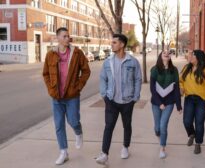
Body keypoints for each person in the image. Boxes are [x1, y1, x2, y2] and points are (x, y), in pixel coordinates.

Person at [42, 27, 91, 165]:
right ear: (57, 38)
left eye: (68, 36)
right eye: (64, 36)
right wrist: (50, 88)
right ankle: (63, 152)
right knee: (58, 125)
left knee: (73, 121)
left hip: (72, 96)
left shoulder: (76, 53)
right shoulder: (50, 55)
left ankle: (78, 132)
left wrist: (78, 86)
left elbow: (86, 71)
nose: (67, 38)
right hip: (56, 97)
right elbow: (45, 73)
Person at [96, 34, 142, 165]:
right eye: (112, 42)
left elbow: (138, 79)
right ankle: (104, 154)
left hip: (128, 101)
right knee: (109, 126)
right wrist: (104, 95)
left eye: (114, 42)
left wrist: (135, 97)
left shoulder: (133, 62)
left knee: (127, 125)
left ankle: (125, 147)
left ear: (122, 45)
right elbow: (103, 78)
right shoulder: (108, 61)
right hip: (111, 100)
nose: (112, 44)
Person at [179, 49, 205, 154]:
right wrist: (181, 88)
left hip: (202, 100)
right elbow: (180, 80)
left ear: (198, 57)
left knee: (199, 123)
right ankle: (191, 134)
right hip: (189, 99)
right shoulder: (187, 68)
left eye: (192, 55)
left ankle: (198, 143)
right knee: (187, 121)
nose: (190, 56)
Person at [150, 50, 182, 159]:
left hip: (169, 103)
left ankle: (162, 147)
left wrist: (178, 106)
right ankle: (159, 135)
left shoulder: (174, 70)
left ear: (170, 57)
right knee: (157, 128)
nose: (167, 53)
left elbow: (177, 88)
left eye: (168, 53)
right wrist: (159, 103)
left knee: (163, 125)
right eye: (164, 52)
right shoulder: (155, 70)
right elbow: (152, 89)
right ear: (160, 56)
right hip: (156, 103)